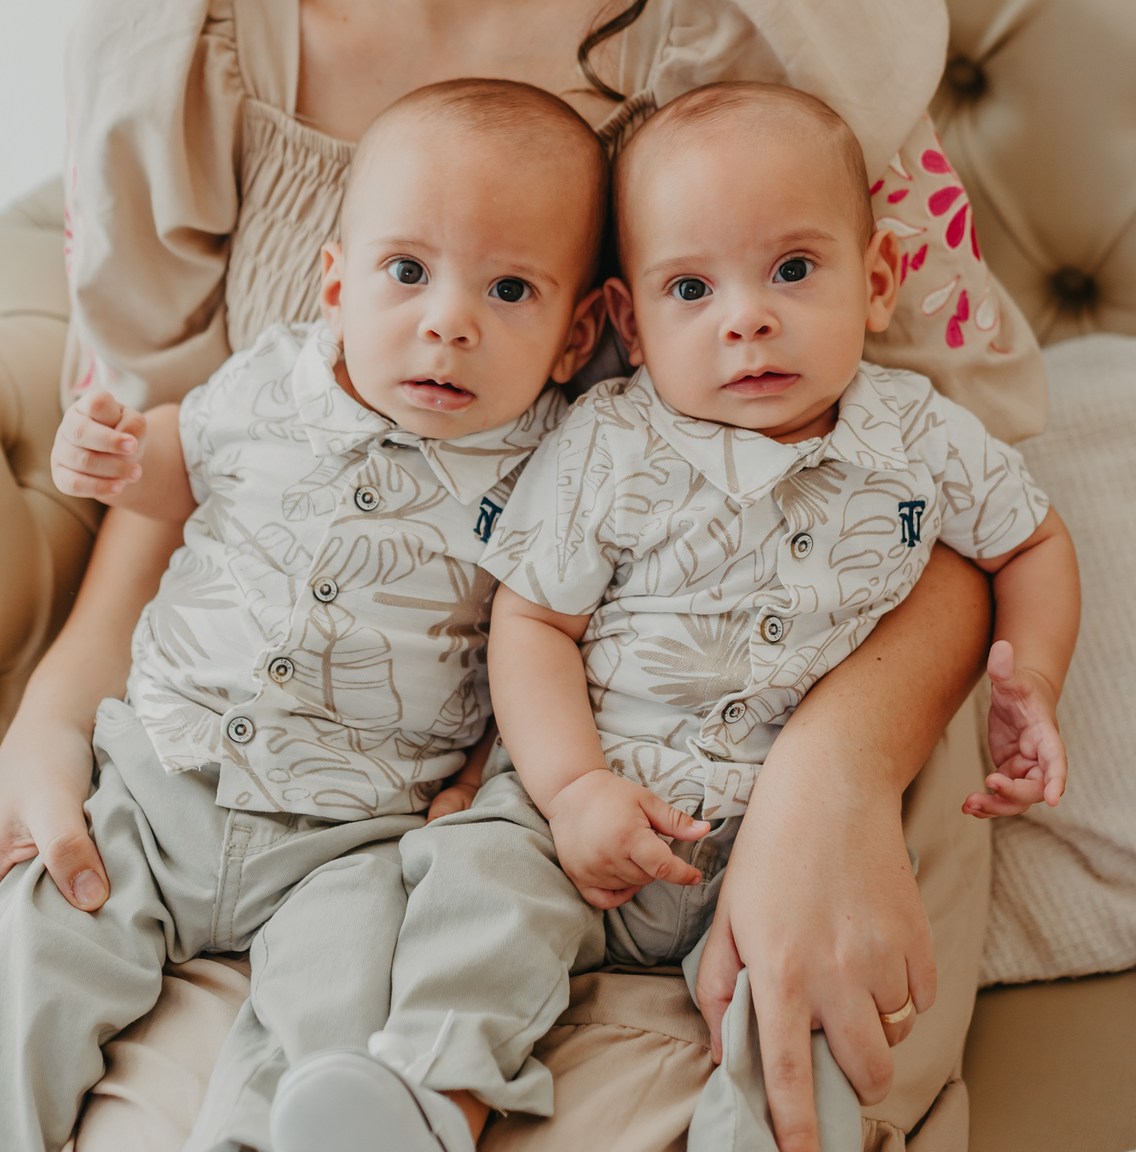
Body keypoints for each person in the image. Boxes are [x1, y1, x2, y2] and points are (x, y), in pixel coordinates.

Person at [0, 0, 1047, 1150]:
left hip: (746, 761)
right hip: (318, 787)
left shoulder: (763, 2)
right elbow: (173, 441)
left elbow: (953, 468)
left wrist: (837, 775)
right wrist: (59, 709)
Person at [267, 84, 1079, 1152]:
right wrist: (572, 791)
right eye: (691, 288)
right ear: (629, 324)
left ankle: (771, 1132)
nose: (747, 318)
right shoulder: (609, 444)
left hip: (774, 846)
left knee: (820, 991)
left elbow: (1031, 542)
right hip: (588, 810)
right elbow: (533, 624)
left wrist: (1035, 681)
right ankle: (432, 1100)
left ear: (878, 280)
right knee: (483, 894)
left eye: (794, 270)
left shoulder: (921, 437)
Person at [0, 80, 611, 1152]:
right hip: (162, 777)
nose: (447, 322)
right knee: (25, 963)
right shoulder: (273, 381)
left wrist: (480, 774)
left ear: (576, 333)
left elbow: (540, 645)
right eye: (408, 272)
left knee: (337, 1027)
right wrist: (111, 453)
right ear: (337, 285)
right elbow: (177, 467)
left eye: (508, 290)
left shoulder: (553, 466)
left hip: (355, 835)